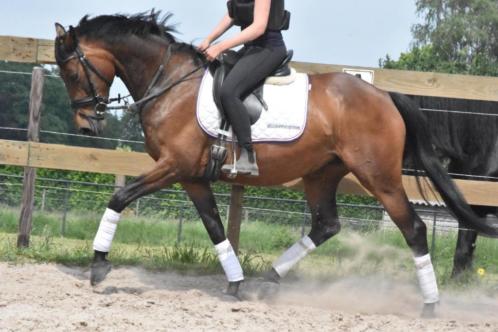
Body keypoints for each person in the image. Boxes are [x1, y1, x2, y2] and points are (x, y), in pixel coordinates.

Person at [198, 0, 290, 176]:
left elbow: (258, 28)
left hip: (269, 49)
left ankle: (247, 155)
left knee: (229, 92)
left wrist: (220, 46)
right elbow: (232, 14)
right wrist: (209, 39)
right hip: (251, 48)